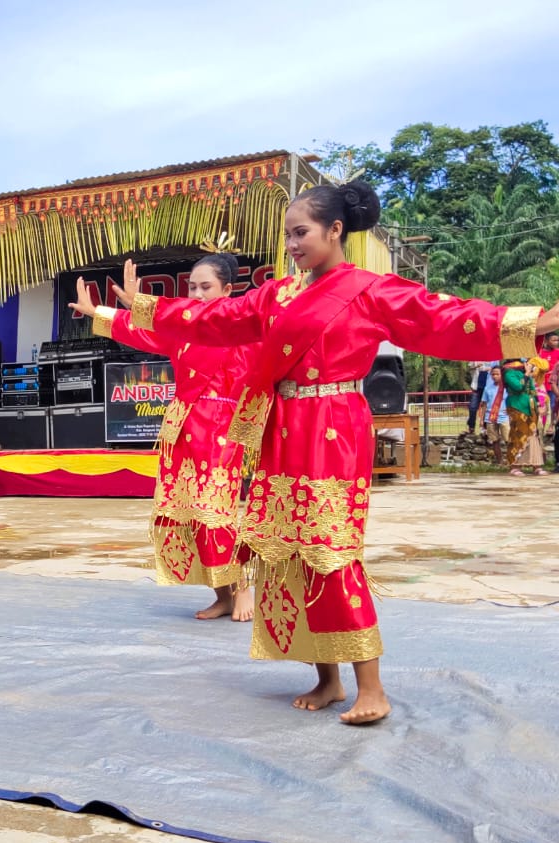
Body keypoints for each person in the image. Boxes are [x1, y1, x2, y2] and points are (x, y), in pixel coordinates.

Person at [70, 178, 558, 724]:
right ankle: (326, 679)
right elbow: (214, 320)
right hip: (283, 429)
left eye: (301, 232)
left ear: (335, 230)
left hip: (333, 428)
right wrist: (141, 308)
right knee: (287, 551)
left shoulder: (371, 290)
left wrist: (536, 323)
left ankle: (371, 688)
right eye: (288, 235)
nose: (293, 244)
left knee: (330, 554)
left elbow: (444, 319)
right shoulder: (279, 294)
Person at [80, 253, 257, 622]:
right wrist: (98, 312)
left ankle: (242, 587)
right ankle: (221, 593)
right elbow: (141, 330)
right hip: (181, 428)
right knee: (188, 516)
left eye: (205, 287)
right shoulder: (182, 330)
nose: (197, 293)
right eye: (192, 287)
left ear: (228, 290)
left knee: (215, 513)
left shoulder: (240, 325)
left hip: (220, 429)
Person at [503, 357, 549, 476]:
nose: (526, 363)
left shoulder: (523, 373)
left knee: (533, 435)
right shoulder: (508, 373)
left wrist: (540, 405)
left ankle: (536, 465)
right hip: (517, 407)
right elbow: (518, 387)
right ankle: (515, 466)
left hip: (531, 407)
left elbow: (532, 390)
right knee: (518, 435)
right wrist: (527, 373)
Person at [479, 364, 508, 466]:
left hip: (504, 417)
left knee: (508, 440)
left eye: (497, 374)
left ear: (502, 375)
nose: (495, 376)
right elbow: (484, 404)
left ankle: (512, 461)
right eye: (493, 374)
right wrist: (481, 420)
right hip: (490, 417)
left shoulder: (507, 388)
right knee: (495, 441)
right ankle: (500, 462)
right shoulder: (487, 388)